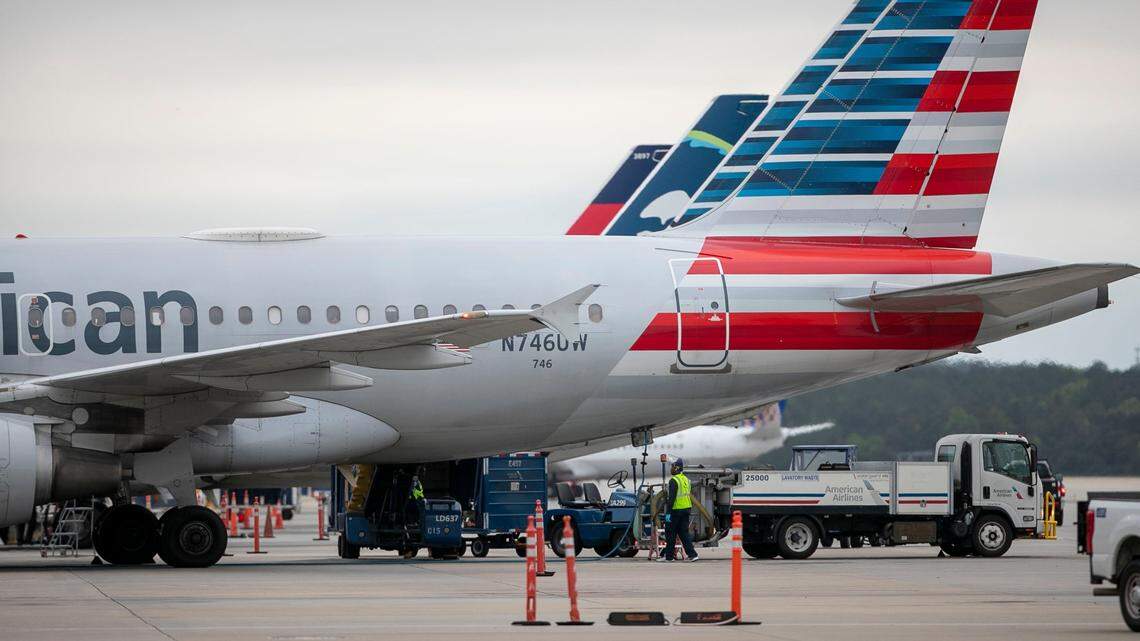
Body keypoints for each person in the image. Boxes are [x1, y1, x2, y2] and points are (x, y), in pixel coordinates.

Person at [658, 458, 699, 562]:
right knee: (683, 533)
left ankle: (669, 557)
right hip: (686, 509)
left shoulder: (674, 481)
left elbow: (671, 499)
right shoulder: (686, 479)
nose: (671, 469)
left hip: (675, 510)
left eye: (672, 467)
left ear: (676, 468)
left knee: (670, 533)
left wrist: (668, 513)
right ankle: (693, 555)